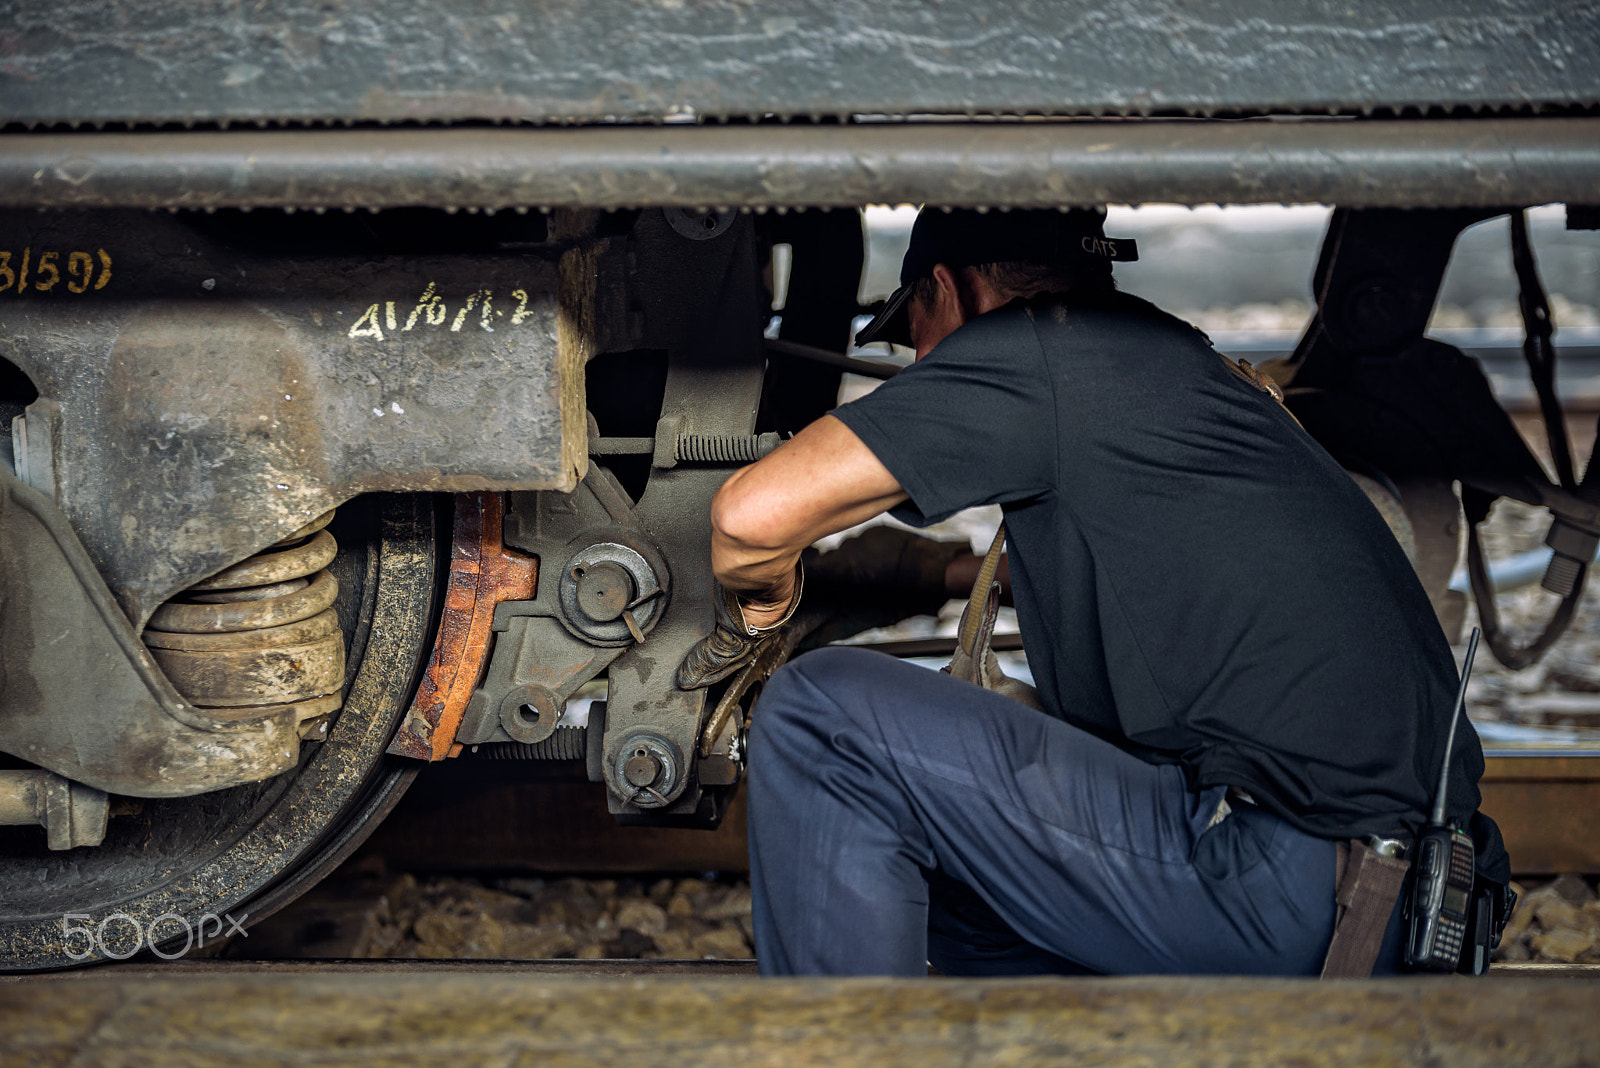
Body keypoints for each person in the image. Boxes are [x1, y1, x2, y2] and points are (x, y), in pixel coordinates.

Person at [676, 207, 1510, 977]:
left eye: (917, 334)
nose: (925, 366)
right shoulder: (1169, 366)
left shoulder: (1046, 350)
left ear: (948, 289)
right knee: (947, 878)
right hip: (1404, 910)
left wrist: (764, 610)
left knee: (822, 715)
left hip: (1290, 886)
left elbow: (754, 516)